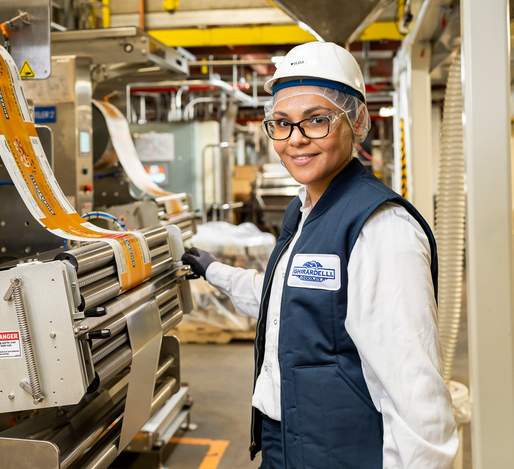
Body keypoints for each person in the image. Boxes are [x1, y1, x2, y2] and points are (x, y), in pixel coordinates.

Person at [182, 42, 458, 469]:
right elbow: (291, 302)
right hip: (285, 441)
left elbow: (416, 390)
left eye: (317, 121)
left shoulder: (380, 229)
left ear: (358, 121)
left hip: (342, 453)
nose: (296, 140)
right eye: (282, 123)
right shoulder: (304, 209)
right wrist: (214, 270)